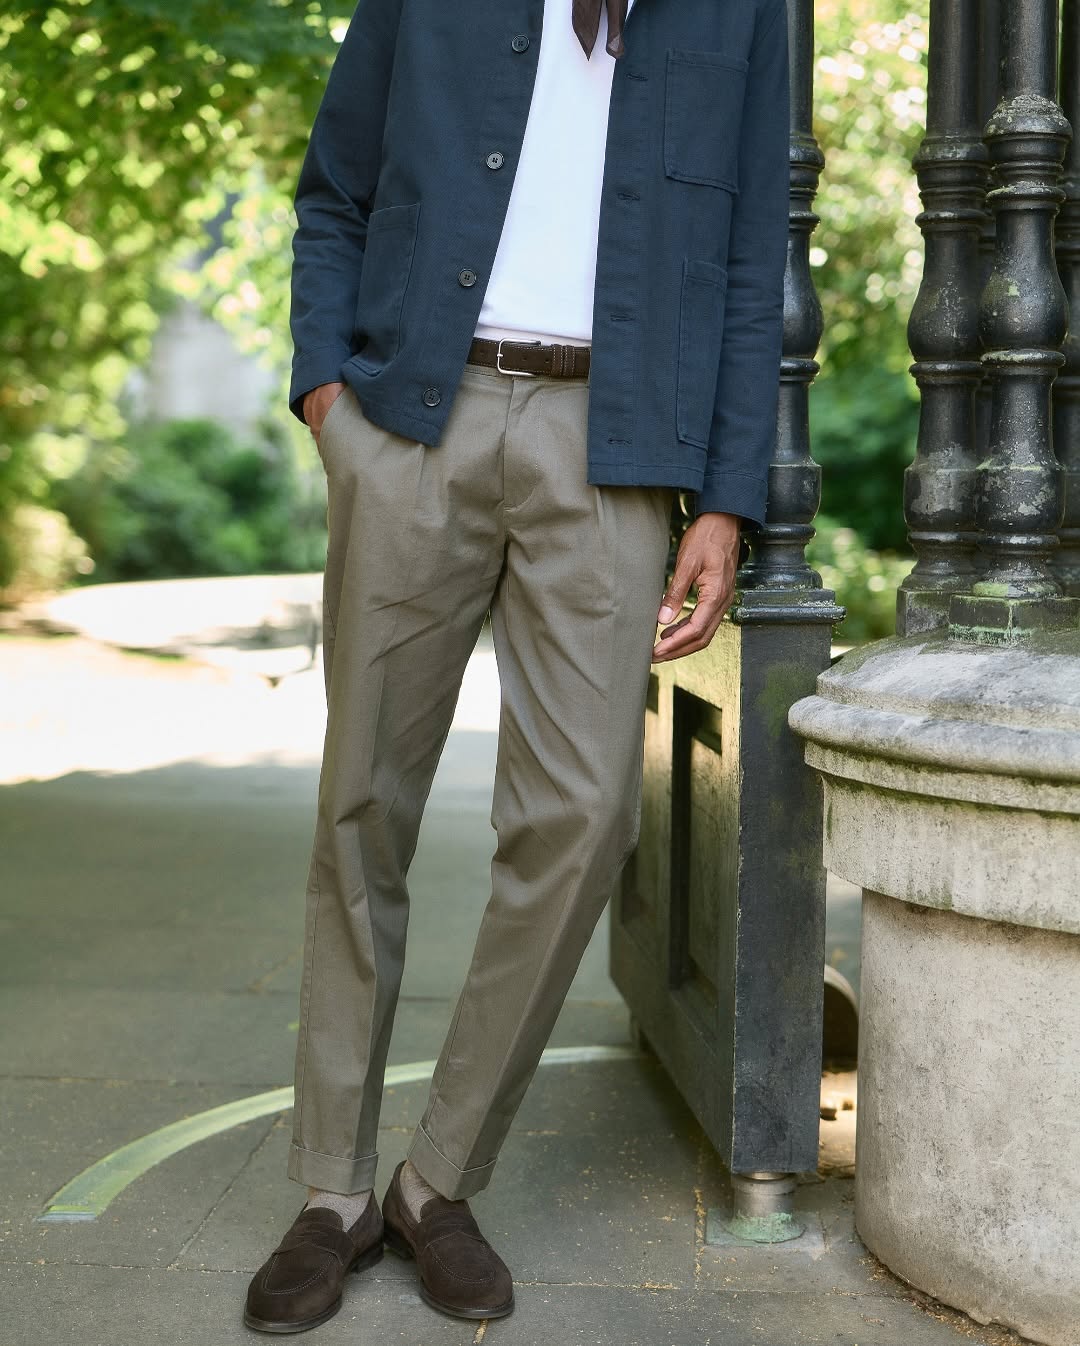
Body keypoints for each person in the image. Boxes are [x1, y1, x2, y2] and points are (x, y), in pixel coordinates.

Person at [244, 0, 789, 1331]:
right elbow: (335, 193)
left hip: (615, 445)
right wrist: (333, 402)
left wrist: (722, 497)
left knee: (586, 814)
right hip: (414, 421)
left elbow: (744, 258)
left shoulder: (739, 14)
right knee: (361, 803)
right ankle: (329, 1190)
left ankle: (437, 1180)